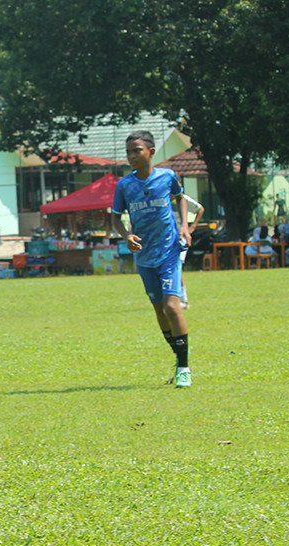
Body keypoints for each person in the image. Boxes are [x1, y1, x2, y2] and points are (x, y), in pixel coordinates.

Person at [110, 130, 191, 388]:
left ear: (151, 152)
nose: (132, 156)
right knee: (160, 311)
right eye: (129, 152)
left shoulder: (167, 176)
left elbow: (181, 198)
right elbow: (114, 217)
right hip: (144, 258)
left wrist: (184, 226)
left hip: (168, 251)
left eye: (137, 150)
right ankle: (179, 362)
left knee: (171, 307)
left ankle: (185, 367)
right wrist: (126, 235)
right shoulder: (124, 185)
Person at [175, 193, 204, 308]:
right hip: (167, 237)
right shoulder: (162, 198)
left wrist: (191, 228)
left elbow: (200, 209)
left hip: (181, 237)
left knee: (177, 266)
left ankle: (183, 299)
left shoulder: (183, 199)